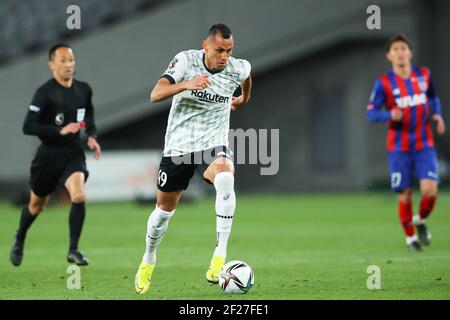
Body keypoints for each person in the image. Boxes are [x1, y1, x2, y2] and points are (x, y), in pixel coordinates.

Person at [135, 23, 252, 294]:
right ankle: (148, 259)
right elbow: (155, 94)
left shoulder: (237, 67)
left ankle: (219, 255)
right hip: (178, 146)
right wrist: (187, 84)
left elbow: (247, 75)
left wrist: (244, 98)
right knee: (163, 212)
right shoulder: (186, 61)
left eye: (229, 50)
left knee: (225, 178)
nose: (224, 56)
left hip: (212, 143)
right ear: (206, 45)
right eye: (220, 50)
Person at [10, 43, 102, 266]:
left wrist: (91, 134)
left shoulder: (83, 89)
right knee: (36, 206)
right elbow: (28, 126)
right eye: (63, 61)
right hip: (48, 156)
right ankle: (20, 237)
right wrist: (58, 131)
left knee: (78, 195)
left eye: (71, 60)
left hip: (73, 152)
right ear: (52, 64)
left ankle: (73, 249)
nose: (68, 64)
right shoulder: (44, 93)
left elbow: (88, 114)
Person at [367, 34, 445, 252]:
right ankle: (410, 238)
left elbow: (433, 97)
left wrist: (437, 115)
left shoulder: (424, 75)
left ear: (410, 53)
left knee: (429, 190)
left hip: (423, 144)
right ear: (389, 55)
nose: (400, 52)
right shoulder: (384, 83)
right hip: (399, 147)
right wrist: (389, 115)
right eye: (395, 49)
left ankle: (419, 220)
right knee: (405, 193)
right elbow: (371, 113)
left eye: (403, 48)